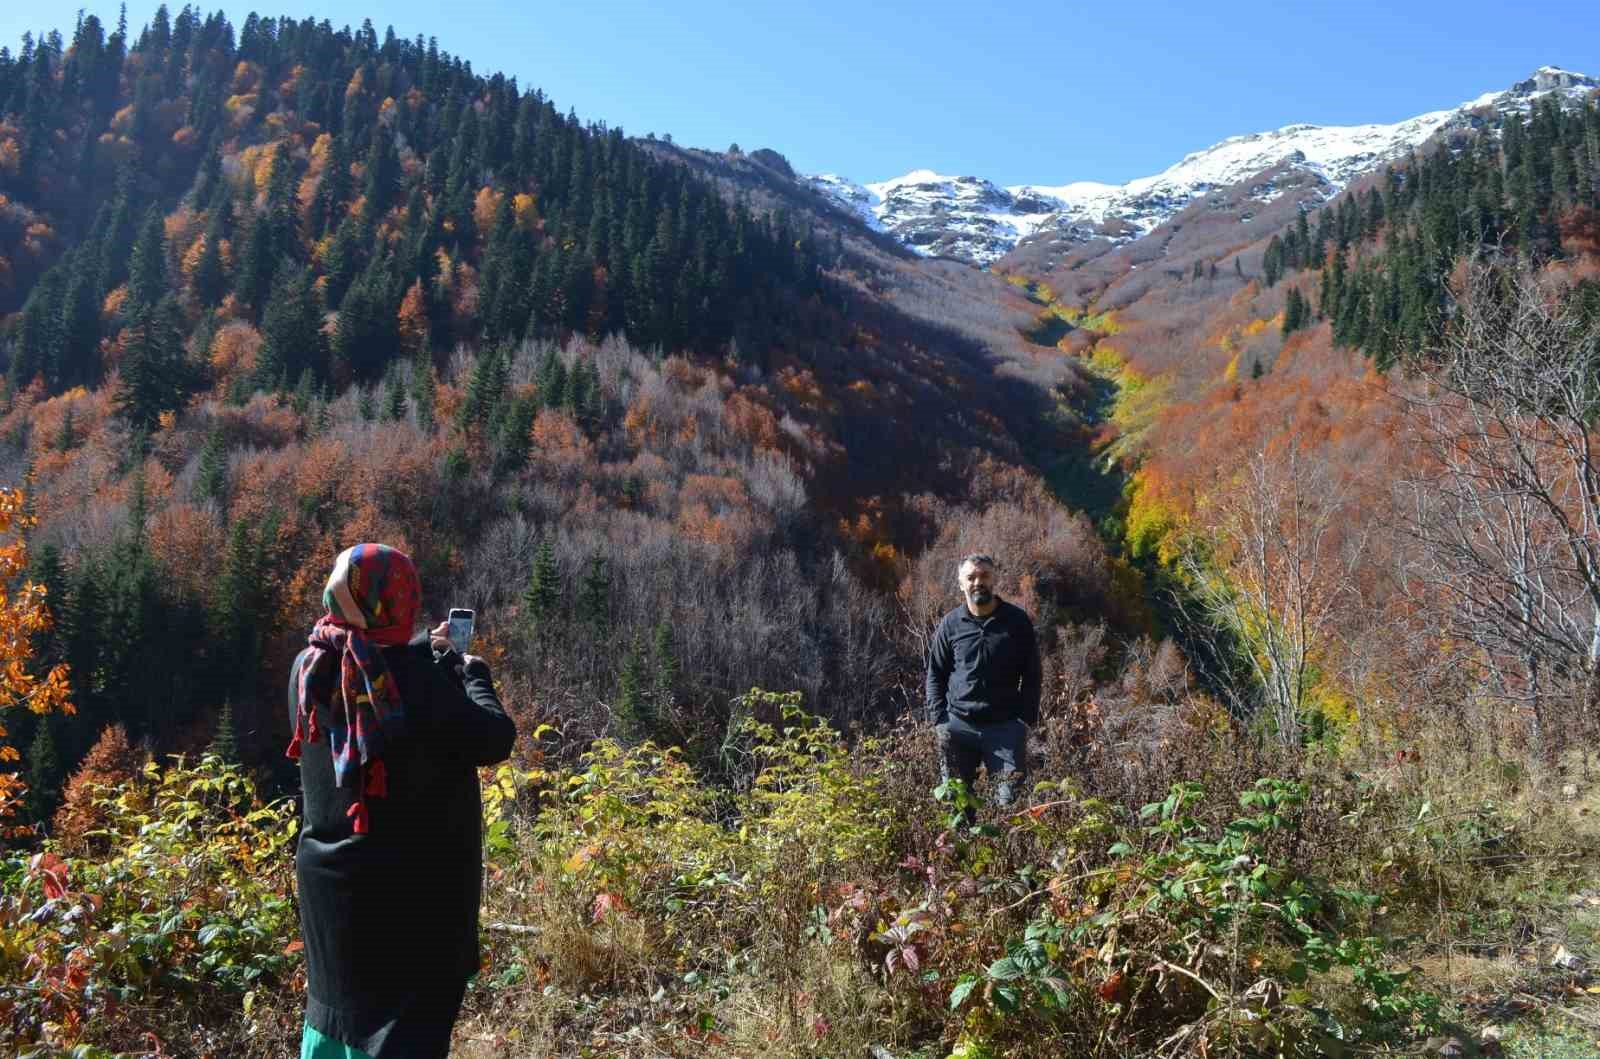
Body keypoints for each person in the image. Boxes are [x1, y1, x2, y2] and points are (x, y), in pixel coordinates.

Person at [287, 543, 516, 1059]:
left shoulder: (308, 666)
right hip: (412, 921)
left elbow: (379, 673)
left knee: (334, 1037)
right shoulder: (422, 686)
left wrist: (421, 654)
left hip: (332, 907)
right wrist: (468, 673)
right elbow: (494, 737)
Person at [925, 553, 1042, 809]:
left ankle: (1005, 850)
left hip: (1005, 728)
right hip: (958, 727)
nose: (978, 582)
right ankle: (962, 849)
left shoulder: (1016, 622)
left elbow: (1032, 674)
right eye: (971, 577)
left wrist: (1025, 720)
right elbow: (935, 673)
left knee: (1010, 805)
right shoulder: (950, 624)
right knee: (956, 807)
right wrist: (939, 720)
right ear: (961, 583)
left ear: (994, 579)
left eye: (984, 575)